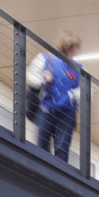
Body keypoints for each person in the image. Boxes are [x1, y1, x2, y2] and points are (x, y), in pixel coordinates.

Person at [35, 32, 83, 162]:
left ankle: (59, 173)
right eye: (76, 47)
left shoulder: (79, 68)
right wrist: (43, 80)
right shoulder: (46, 58)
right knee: (42, 144)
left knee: (62, 146)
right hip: (47, 108)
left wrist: (70, 96)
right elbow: (30, 77)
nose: (77, 51)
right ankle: (42, 171)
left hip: (67, 112)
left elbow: (87, 91)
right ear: (69, 47)